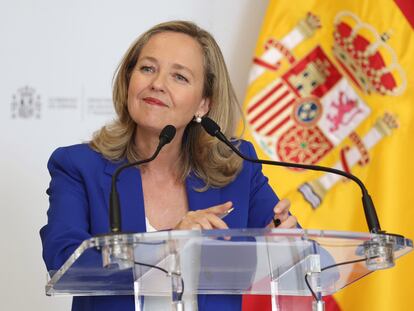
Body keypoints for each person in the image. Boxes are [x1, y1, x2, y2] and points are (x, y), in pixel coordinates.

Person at [40, 20, 298, 311]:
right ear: (129, 81)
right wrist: (169, 246)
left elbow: (312, 265)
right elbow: (63, 264)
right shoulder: (80, 166)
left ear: (203, 104)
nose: (157, 84)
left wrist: (285, 238)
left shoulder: (236, 168)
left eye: (180, 77)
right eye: (148, 68)